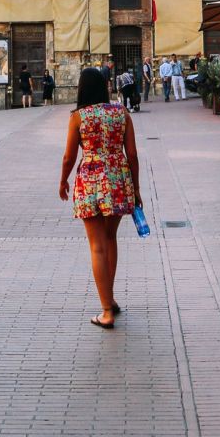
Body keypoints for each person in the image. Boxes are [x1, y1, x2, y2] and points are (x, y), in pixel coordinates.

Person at [59, 66, 141, 330]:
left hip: (90, 181)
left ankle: (106, 310)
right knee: (110, 238)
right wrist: (136, 189)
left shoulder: (78, 117)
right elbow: (133, 154)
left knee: (96, 245)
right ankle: (111, 297)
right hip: (118, 178)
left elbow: (69, 157)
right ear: (105, 86)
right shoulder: (121, 112)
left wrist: (63, 180)